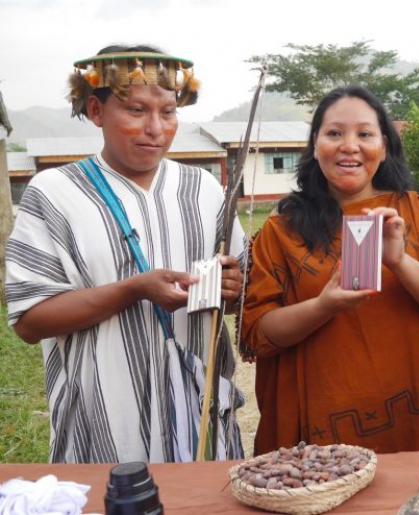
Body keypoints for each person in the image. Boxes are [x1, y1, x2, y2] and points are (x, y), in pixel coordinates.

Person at [5, 45, 247, 463]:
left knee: (202, 495)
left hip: (199, 417)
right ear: (96, 111)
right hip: (100, 422)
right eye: (136, 110)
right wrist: (133, 290)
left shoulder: (203, 190)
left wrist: (231, 286)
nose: (155, 128)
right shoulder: (54, 193)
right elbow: (29, 321)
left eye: (168, 112)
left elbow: (242, 291)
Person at [240, 85, 419, 455]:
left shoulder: (417, 212)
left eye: (365, 134)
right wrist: (323, 306)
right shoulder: (281, 232)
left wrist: (400, 261)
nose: (349, 146)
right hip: (321, 440)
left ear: (384, 147)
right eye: (334, 133)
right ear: (315, 145)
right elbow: (258, 333)